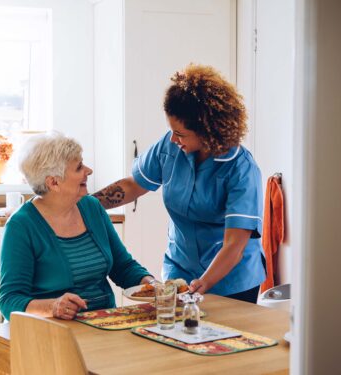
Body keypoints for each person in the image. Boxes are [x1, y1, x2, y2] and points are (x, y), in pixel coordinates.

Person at [93, 64, 265, 303]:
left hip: (231, 280)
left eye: (181, 134)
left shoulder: (241, 169)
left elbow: (234, 245)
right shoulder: (170, 146)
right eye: (171, 131)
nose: (174, 138)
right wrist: (86, 204)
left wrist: (204, 282)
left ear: (207, 130)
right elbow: (134, 185)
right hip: (180, 270)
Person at [0, 132, 153, 321]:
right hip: (51, 330)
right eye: (79, 167)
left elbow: (123, 267)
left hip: (104, 323)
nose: (88, 170)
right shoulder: (21, 225)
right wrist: (53, 306)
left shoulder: (91, 207)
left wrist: (151, 284)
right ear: (54, 182)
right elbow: (9, 300)